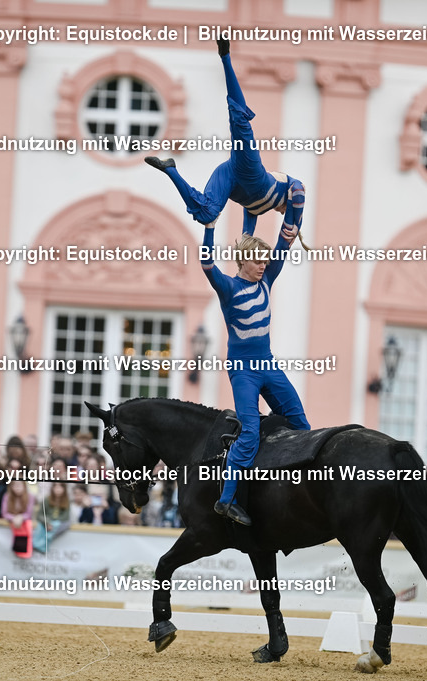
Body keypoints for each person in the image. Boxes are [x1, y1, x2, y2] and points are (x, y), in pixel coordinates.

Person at [200, 224, 309, 527]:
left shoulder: (266, 279)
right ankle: (227, 500)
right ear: (243, 261)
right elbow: (206, 263)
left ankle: (290, 488)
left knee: (301, 423)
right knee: (248, 432)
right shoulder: (228, 287)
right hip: (243, 371)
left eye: (265, 260)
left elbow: (284, 245)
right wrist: (209, 227)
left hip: (267, 364)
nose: (264, 264)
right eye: (258, 260)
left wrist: (293, 213)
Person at [145, 39, 305, 239]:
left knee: (207, 214)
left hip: (229, 179)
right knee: (239, 121)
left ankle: (170, 169)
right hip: (251, 172)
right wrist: (295, 223)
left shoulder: (257, 210)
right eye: (284, 211)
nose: (282, 212)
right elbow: (299, 189)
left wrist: (245, 249)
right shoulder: (292, 190)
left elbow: (247, 235)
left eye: (283, 213)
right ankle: (225, 58)